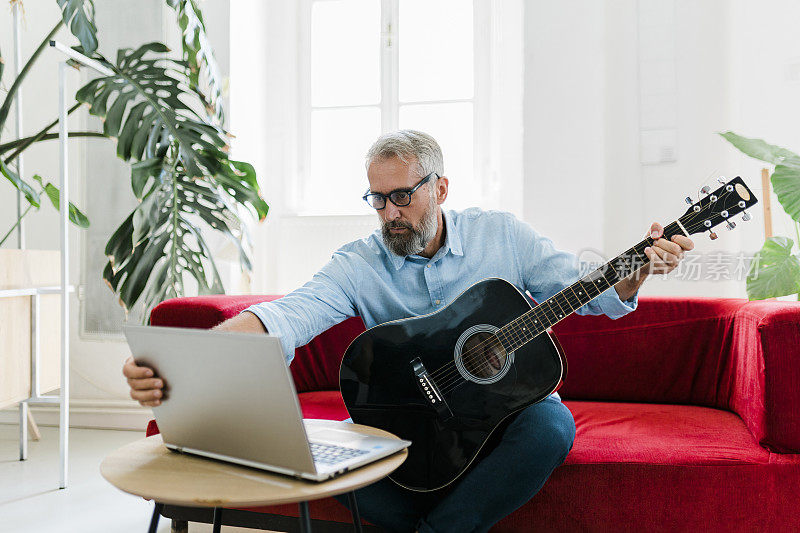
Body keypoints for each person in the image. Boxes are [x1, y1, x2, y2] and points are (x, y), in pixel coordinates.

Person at [124, 130, 694, 532]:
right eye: (377, 199)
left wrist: (636, 268)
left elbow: (581, 287)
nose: (389, 213)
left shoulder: (503, 237)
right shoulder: (358, 262)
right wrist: (190, 360)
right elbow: (288, 315)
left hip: (503, 419)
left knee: (551, 425)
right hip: (414, 432)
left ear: (440, 189)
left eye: (403, 196)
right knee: (329, 470)